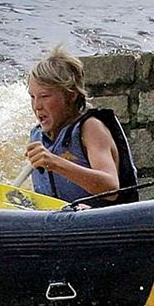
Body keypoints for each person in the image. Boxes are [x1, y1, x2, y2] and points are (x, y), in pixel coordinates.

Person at [24, 46, 138, 206]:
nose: (37, 106)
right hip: (58, 224)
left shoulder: (91, 128)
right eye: (32, 96)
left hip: (100, 223)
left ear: (71, 95)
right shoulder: (36, 136)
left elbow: (111, 188)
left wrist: (55, 163)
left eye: (44, 96)